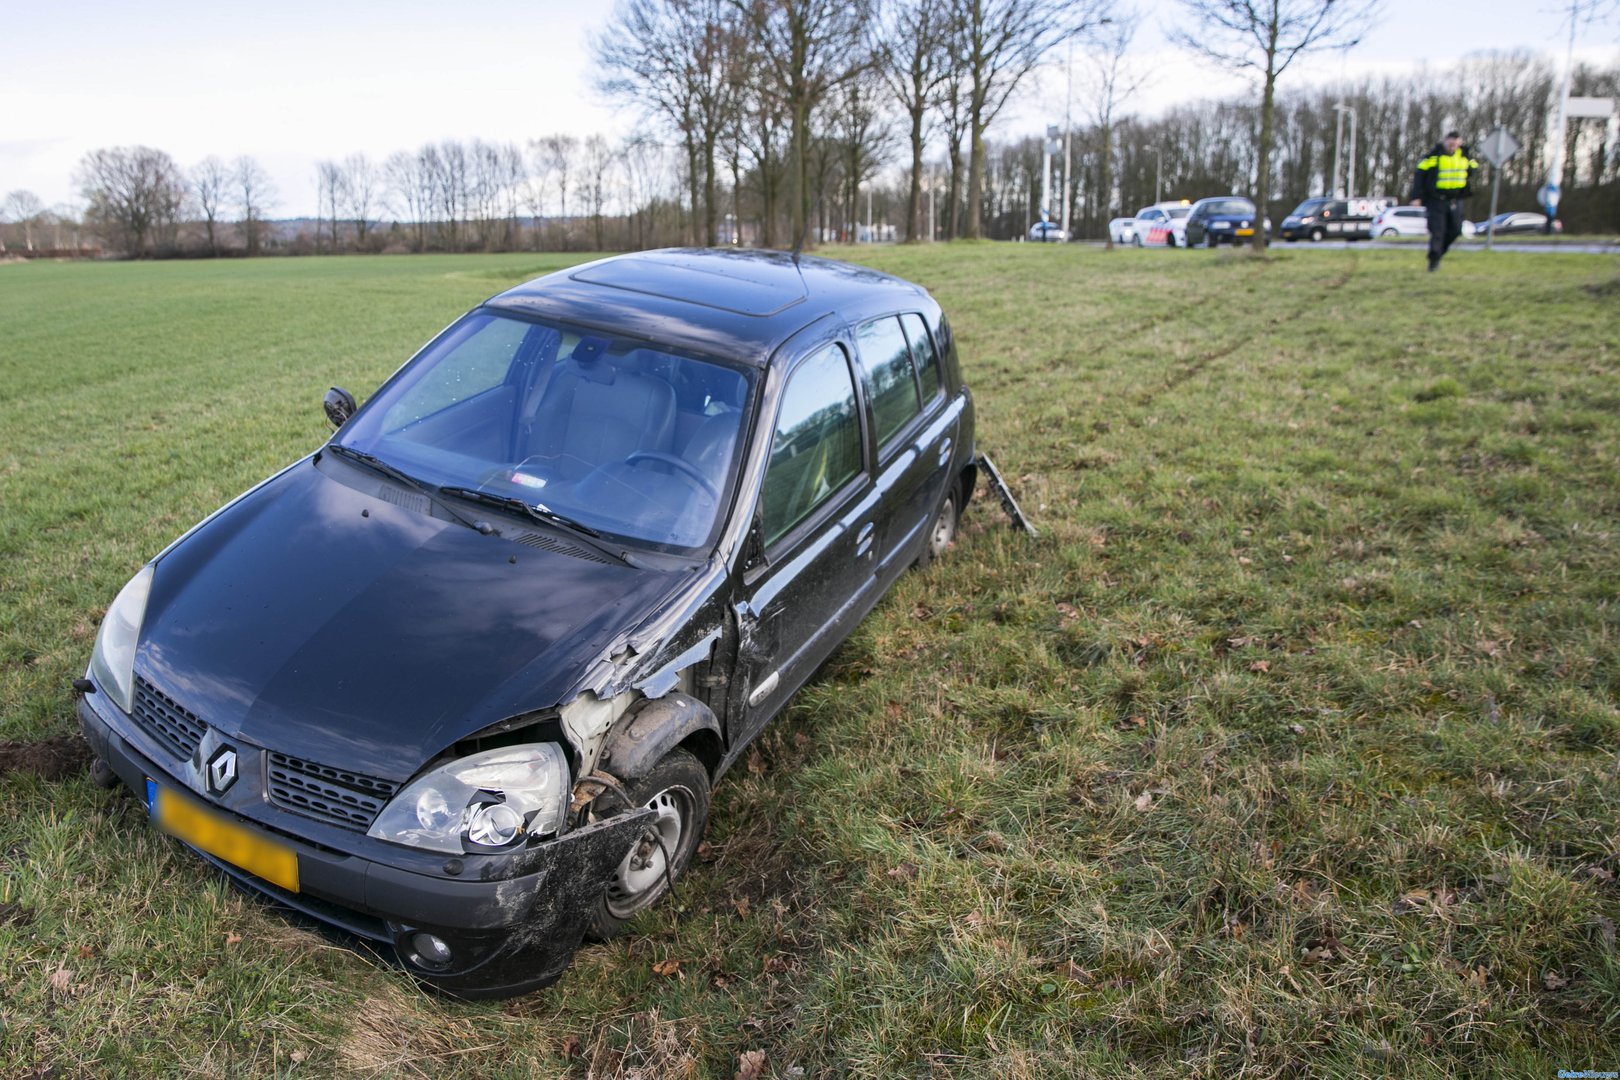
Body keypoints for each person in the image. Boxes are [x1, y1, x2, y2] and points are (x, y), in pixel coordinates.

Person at [1408, 131, 1480, 272]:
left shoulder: (1465, 157)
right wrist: (1416, 196)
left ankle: (1438, 253)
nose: (1452, 144)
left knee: (1455, 230)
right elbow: (1419, 177)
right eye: (1450, 141)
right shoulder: (1432, 157)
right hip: (1436, 200)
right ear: (1445, 141)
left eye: (1456, 141)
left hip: (1456, 199)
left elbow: (1474, 169)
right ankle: (1434, 261)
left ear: (1459, 142)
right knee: (1437, 231)